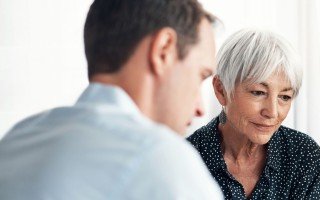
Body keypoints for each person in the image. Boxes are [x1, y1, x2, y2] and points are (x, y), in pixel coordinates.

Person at [0, 0, 222, 199]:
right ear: (163, 50)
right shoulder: (162, 158)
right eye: (200, 77)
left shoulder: (16, 141)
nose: (200, 108)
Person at [186, 29, 320, 199]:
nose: (272, 112)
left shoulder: (303, 155)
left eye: (284, 97)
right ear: (221, 90)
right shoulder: (185, 159)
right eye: (258, 92)